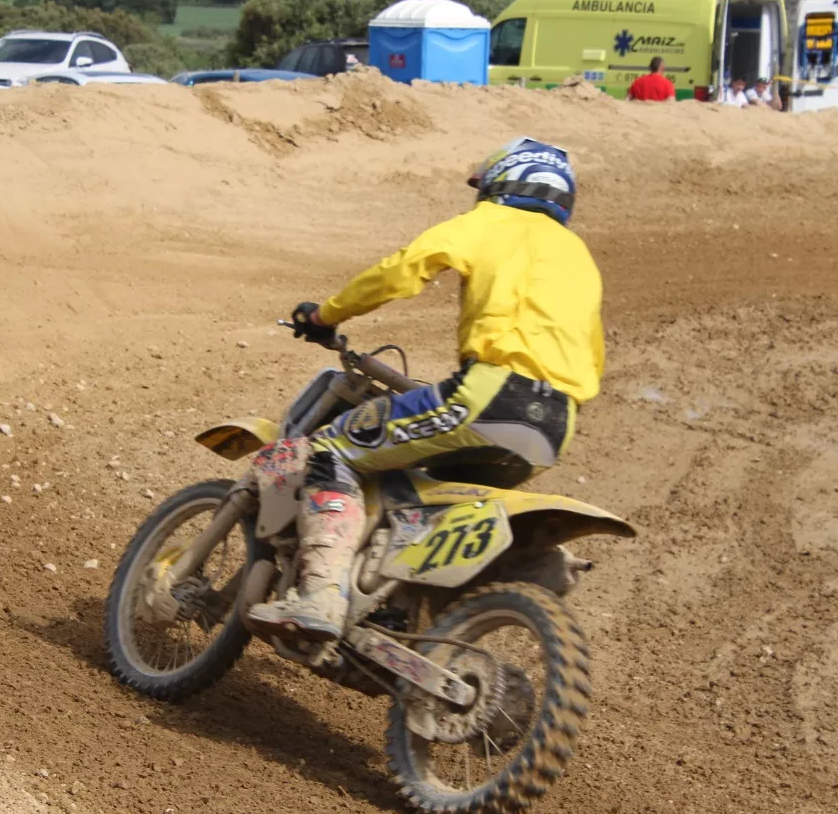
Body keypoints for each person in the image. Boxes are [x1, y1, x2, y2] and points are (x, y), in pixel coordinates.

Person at [247, 137, 605, 643]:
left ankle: (320, 594)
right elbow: (588, 351)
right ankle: (395, 614)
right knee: (424, 495)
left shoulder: (489, 223)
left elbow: (403, 269)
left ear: (502, 181)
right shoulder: (578, 256)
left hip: (484, 397)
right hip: (553, 424)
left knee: (330, 452)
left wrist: (325, 314)